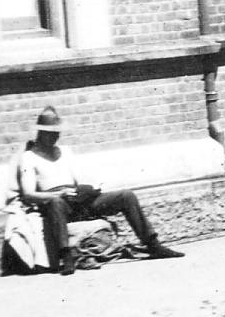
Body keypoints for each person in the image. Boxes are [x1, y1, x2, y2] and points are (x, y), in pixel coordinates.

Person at [11, 106, 183, 275]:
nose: (56, 137)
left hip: (77, 199)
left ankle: (153, 245)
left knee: (126, 196)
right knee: (56, 203)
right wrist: (58, 194)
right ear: (41, 133)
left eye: (58, 133)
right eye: (52, 133)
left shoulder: (64, 151)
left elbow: (79, 179)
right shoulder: (29, 158)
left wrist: (90, 188)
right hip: (55, 203)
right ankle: (67, 256)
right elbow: (28, 194)